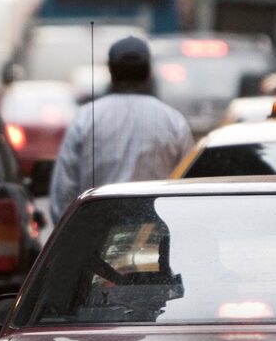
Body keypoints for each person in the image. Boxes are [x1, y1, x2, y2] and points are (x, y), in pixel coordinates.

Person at [48, 35, 193, 224]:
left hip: (96, 237)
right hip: (157, 235)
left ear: (110, 70)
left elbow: (63, 194)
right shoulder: (173, 121)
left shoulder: (86, 119)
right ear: (149, 72)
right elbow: (189, 186)